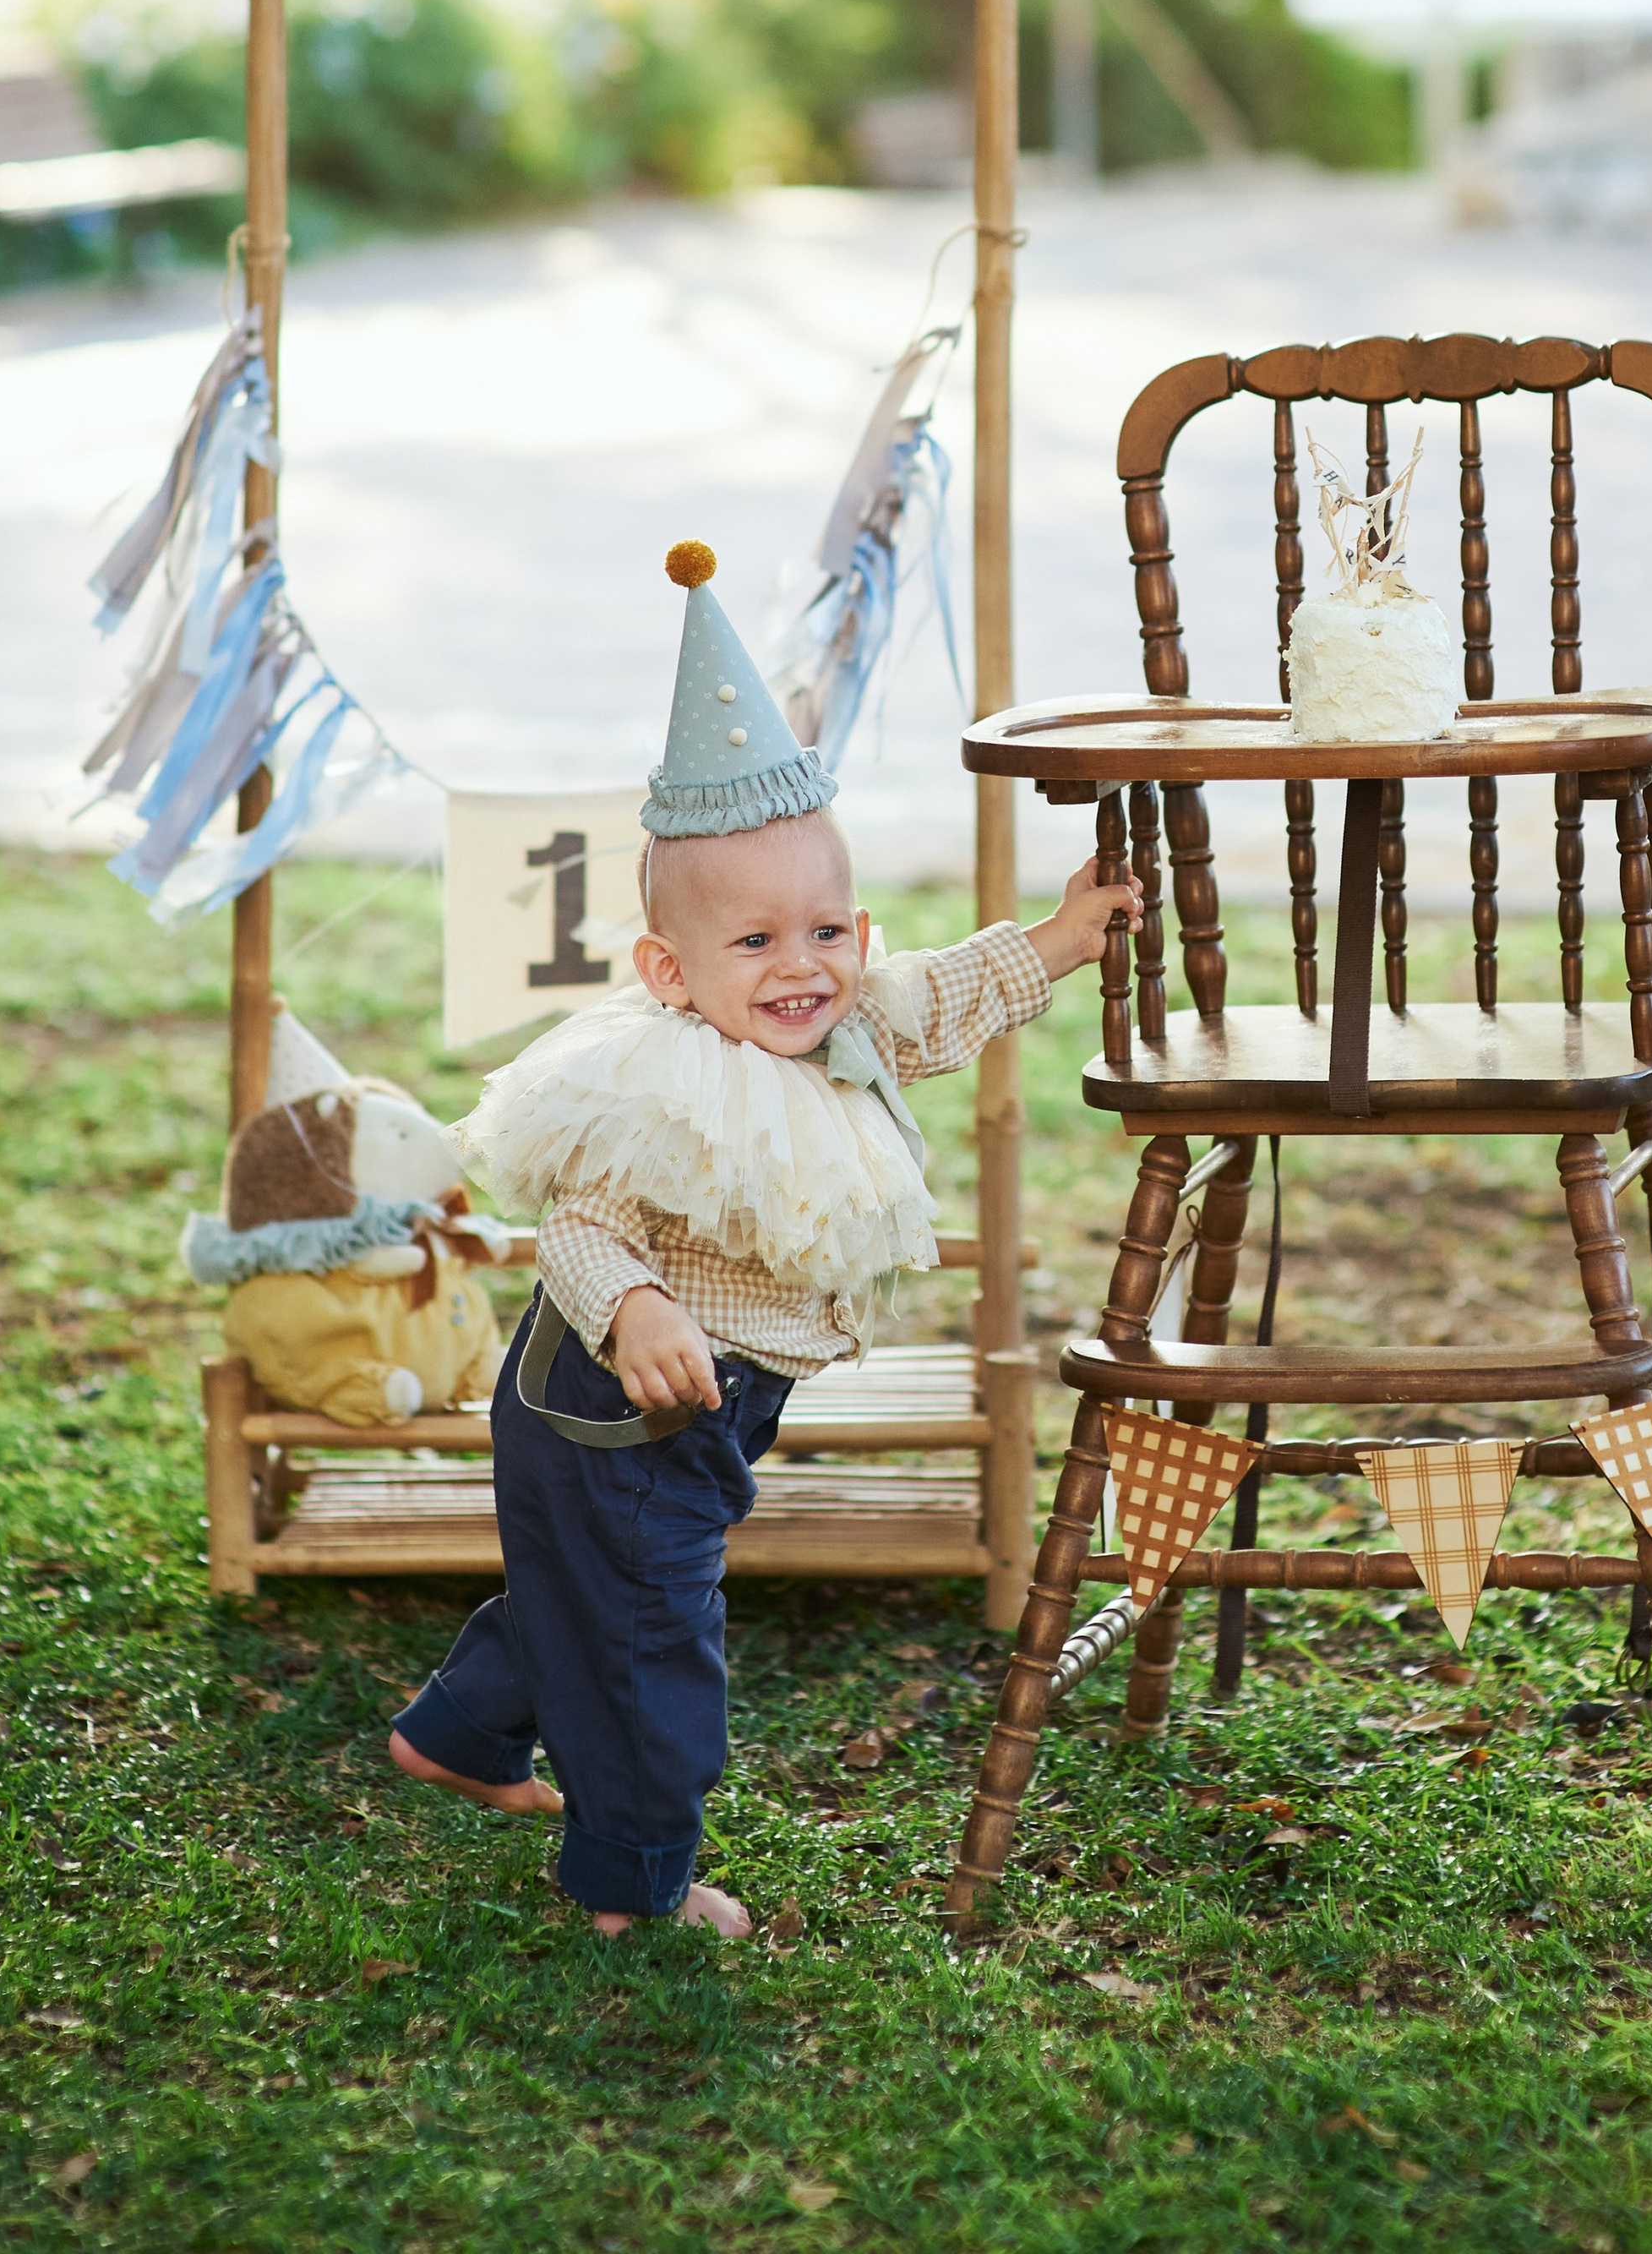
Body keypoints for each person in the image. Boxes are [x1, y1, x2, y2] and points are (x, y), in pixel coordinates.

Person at [389, 540, 1138, 1936]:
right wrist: (636, 1308)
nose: (802, 966)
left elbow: (942, 994)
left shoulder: (847, 1014)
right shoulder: (657, 1078)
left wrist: (1061, 936)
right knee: (649, 1634)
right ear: (668, 969)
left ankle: (459, 1736)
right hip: (619, 1399)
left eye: (828, 929)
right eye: (754, 944)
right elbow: (581, 1230)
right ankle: (635, 1886)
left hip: (706, 1399)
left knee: (585, 1591)